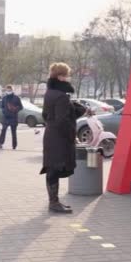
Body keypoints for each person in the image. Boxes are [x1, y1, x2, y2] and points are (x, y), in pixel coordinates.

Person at [40, 63, 86, 213]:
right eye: (66, 75)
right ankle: (54, 203)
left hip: (51, 135)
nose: (68, 78)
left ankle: (54, 202)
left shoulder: (50, 93)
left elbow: (46, 115)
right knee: (55, 168)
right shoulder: (60, 96)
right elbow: (62, 121)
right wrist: (72, 136)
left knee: (52, 167)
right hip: (59, 138)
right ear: (60, 76)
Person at [0, 85, 23, 150]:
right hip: (6, 117)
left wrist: (15, 109)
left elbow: (21, 107)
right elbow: (2, 106)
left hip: (13, 117)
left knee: (13, 132)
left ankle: (14, 145)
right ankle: (0, 143)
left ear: (12, 90)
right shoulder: (4, 98)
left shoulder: (16, 98)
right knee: (3, 130)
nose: (8, 91)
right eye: (7, 90)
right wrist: (4, 111)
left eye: (9, 90)